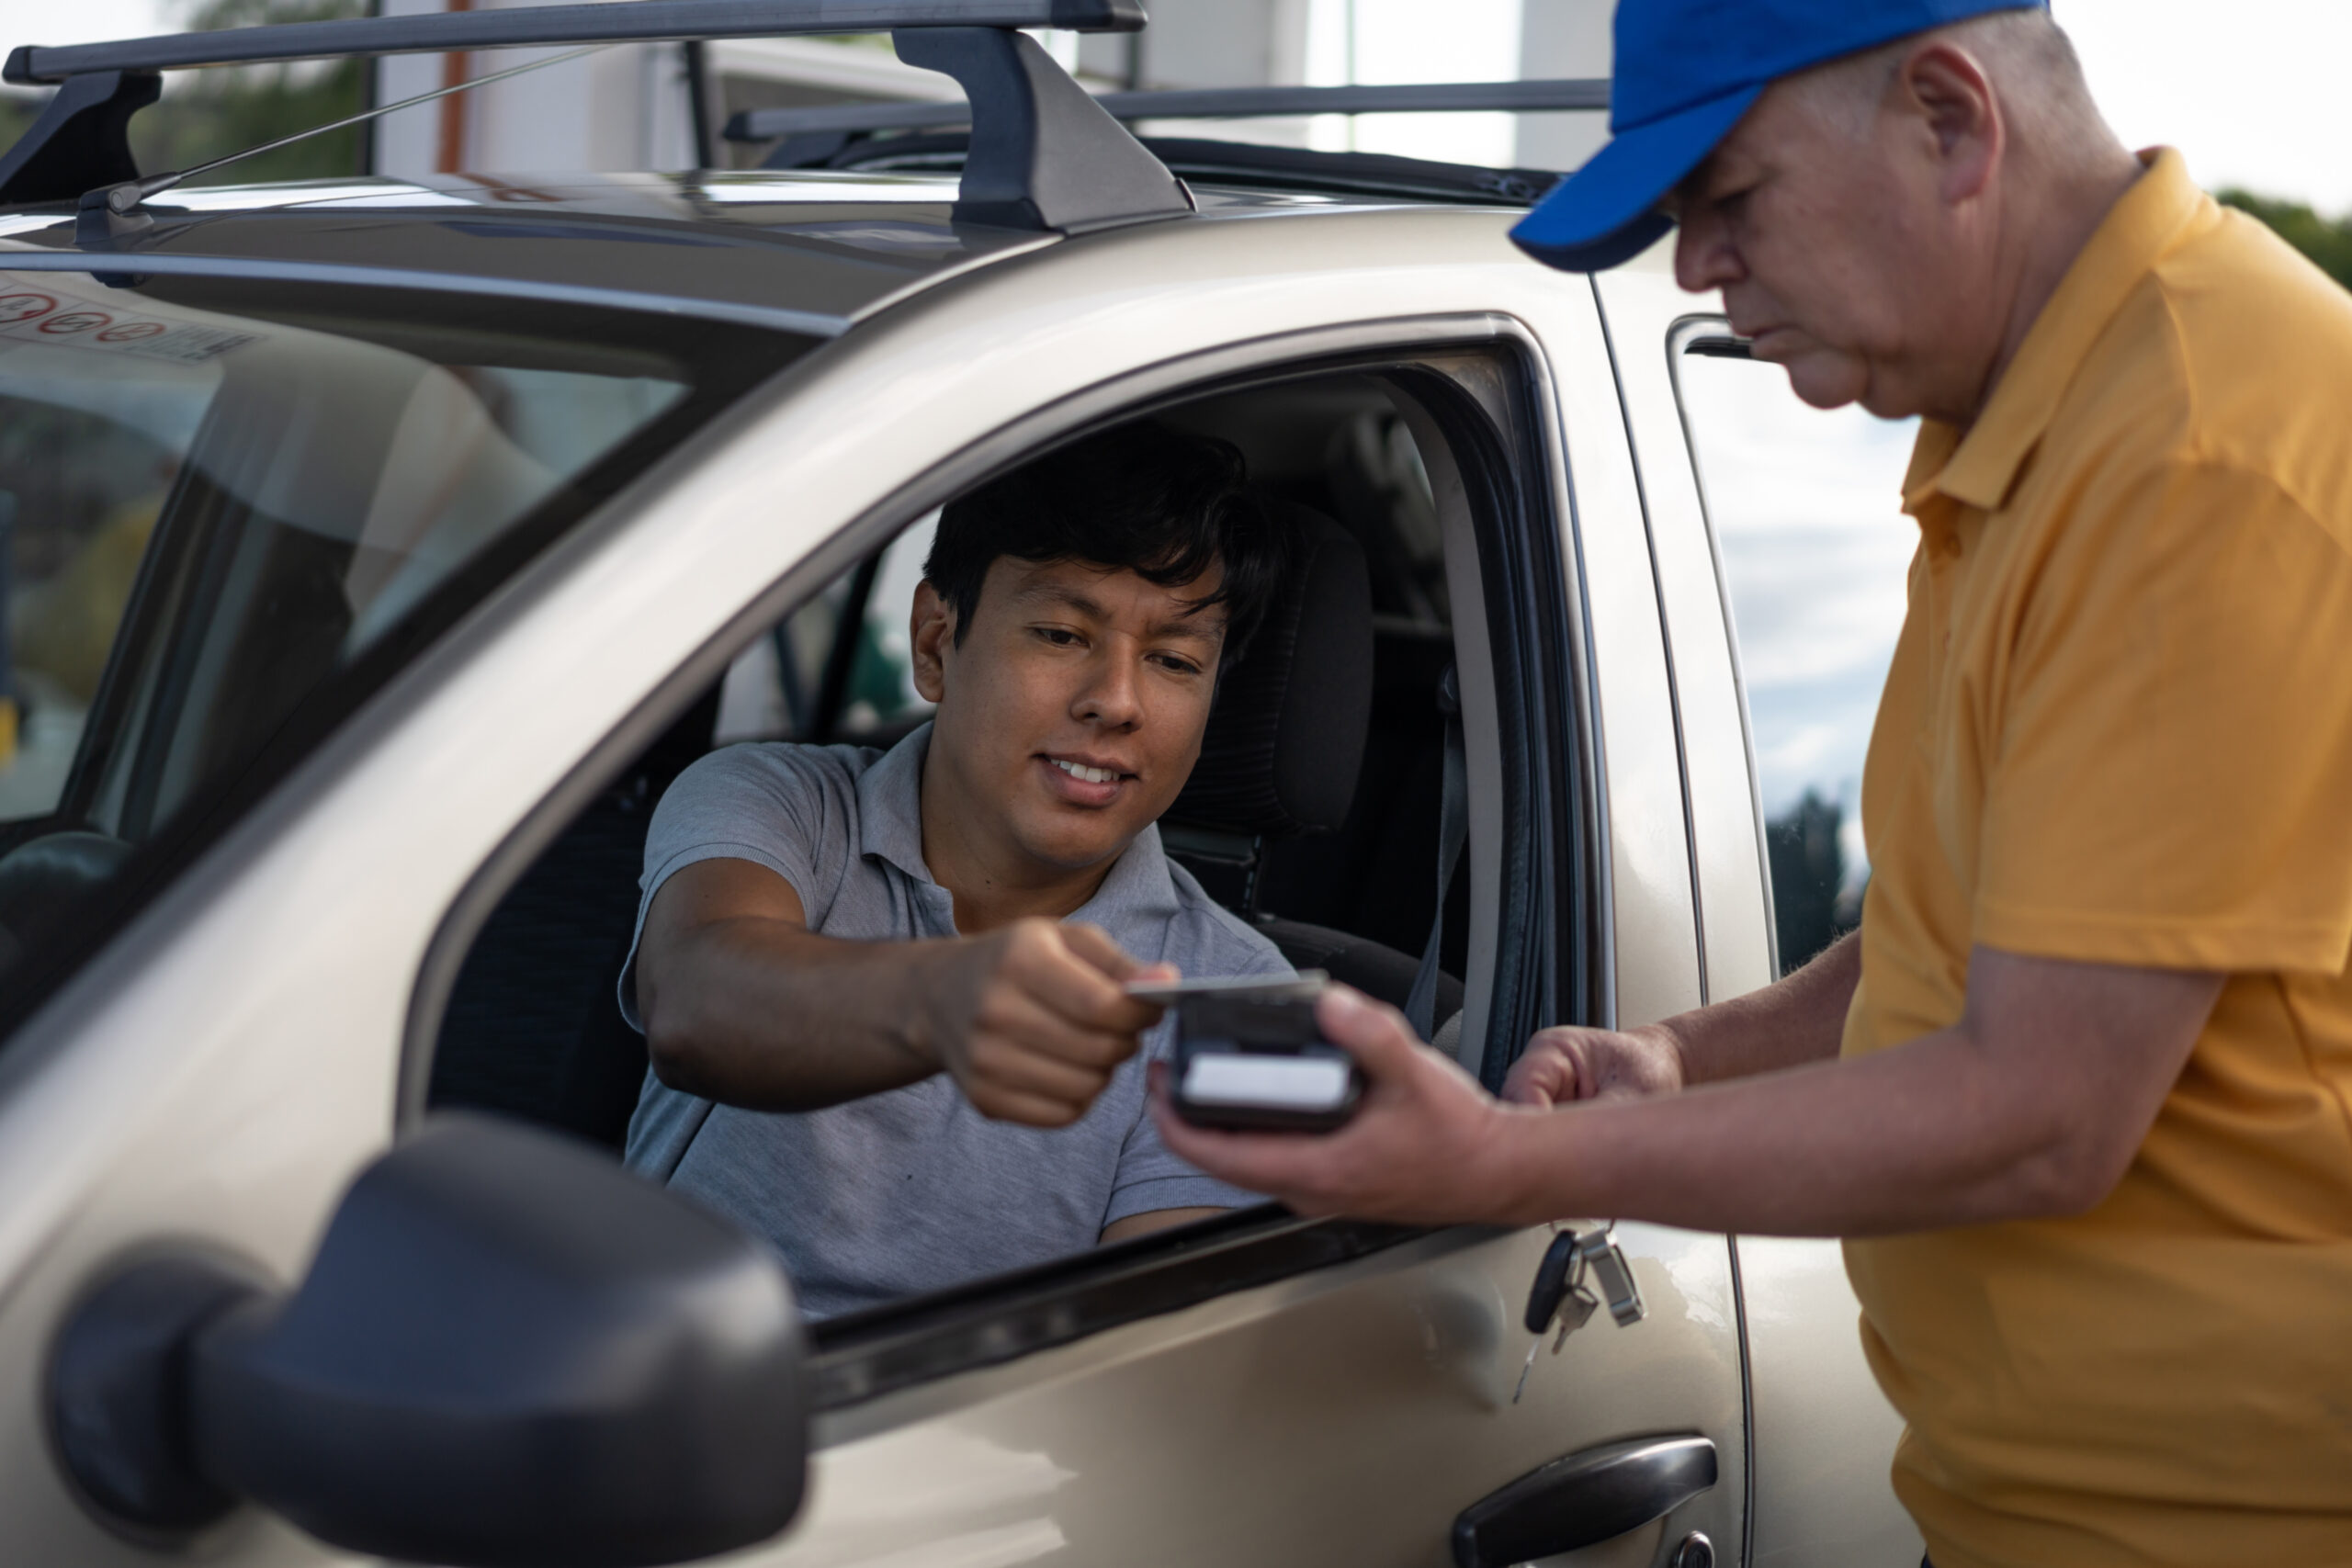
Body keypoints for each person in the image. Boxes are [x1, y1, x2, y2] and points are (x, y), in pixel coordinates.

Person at [1156, 4, 2352, 1564]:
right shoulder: (2035, 425)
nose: (1701, 265)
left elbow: (2041, 1110)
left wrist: (1505, 1164)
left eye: (1728, 195)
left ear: (1950, 118)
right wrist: (1682, 1055)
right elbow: (1973, 931)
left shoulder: (2195, 453)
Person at [625, 422, 1295, 1318]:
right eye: (1061, 635)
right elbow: (695, 1001)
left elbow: (1142, 1364)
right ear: (937, 643)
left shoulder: (1249, 1006)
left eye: (1174, 661)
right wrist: (953, 999)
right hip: (636, 1390)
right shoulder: (783, 806)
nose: (1117, 702)